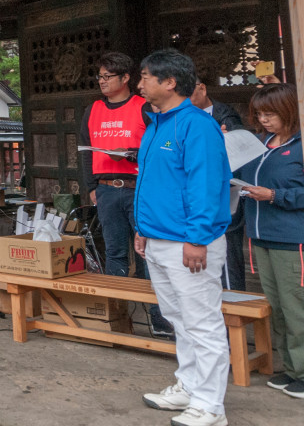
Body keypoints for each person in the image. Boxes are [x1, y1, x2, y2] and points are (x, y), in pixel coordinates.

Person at [135, 49, 231, 426]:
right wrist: (143, 230)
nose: (139, 83)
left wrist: (197, 239)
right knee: (178, 318)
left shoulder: (196, 125)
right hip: (159, 239)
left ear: (169, 82)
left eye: (144, 76)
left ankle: (210, 405)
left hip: (189, 242)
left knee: (202, 322)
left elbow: (206, 186)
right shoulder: (156, 123)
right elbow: (153, 183)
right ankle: (190, 387)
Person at [77, 52, 172, 337]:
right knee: (115, 252)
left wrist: (135, 155)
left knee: (148, 254)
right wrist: (91, 187)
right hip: (106, 190)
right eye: (100, 77)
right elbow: (84, 150)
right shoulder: (92, 109)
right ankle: (114, 315)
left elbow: (161, 146)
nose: (102, 82)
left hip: (139, 189)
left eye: (108, 77)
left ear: (126, 78)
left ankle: (158, 318)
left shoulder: (144, 106)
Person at [234, 84, 304, 400]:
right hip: (260, 237)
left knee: (296, 309)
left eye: (270, 113)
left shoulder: (300, 146)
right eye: (260, 114)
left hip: (292, 240)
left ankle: (302, 372)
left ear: (289, 110)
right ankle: (290, 369)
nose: (264, 120)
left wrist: (274, 195)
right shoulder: (259, 144)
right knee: (276, 308)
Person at [191, 77, 248, 291]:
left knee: (229, 259)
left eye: (189, 93)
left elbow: (238, 152)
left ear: (203, 88)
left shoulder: (224, 114)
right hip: (199, 198)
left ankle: (234, 308)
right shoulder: (185, 117)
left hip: (225, 194)